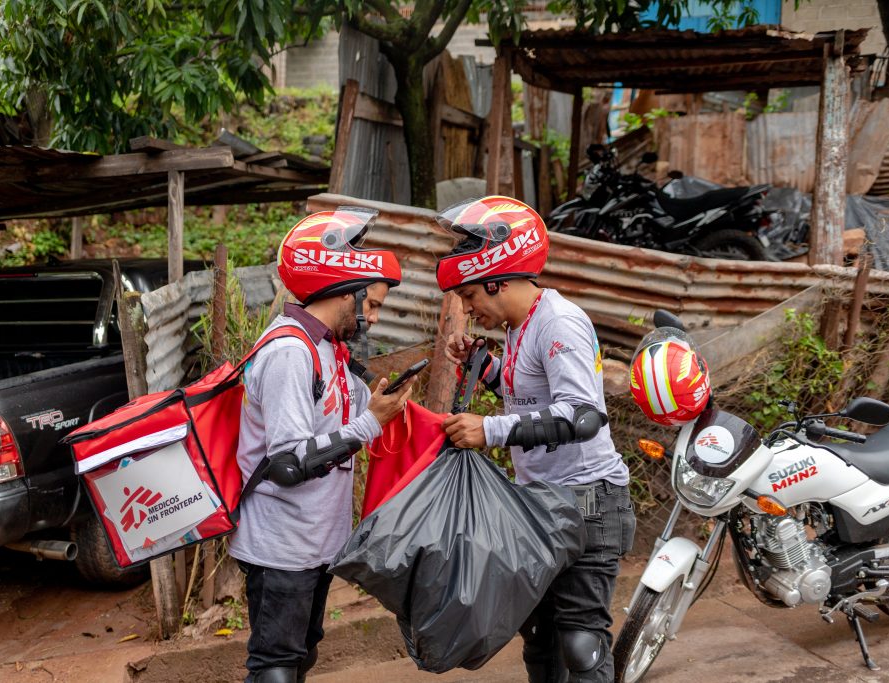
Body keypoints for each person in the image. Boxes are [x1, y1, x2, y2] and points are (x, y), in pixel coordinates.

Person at [434, 196, 636, 683]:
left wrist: (491, 430)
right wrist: (482, 367)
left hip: (589, 499)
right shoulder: (522, 325)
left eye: (470, 296)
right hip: (543, 502)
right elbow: (525, 395)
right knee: (540, 634)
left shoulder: (559, 323)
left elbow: (582, 415)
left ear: (498, 280)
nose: (466, 308)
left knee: (581, 640)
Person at [229, 207, 415, 683]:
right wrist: (371, 423)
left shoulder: (328, 349)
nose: (372, 317)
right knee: (276, 669)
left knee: (299, 658)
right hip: (281, 547)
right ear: (340, 289)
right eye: (370, 303)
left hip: (314, 543)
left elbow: (333, 428)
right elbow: (289, 462)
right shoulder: (290, 352)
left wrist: (372, 408)